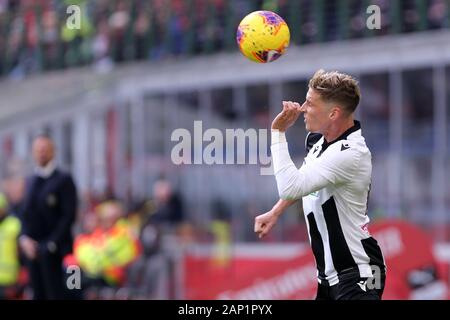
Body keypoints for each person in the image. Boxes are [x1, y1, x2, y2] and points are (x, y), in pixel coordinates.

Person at [254, 69, 386, 300]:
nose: (303, 108)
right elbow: (305, 181)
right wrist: (276, 211)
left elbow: (290, 186)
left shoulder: (351, 153)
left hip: (358, 273)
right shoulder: (318, 141)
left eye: (310, 103)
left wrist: (277, 132)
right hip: (328, 277)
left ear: (333, 113)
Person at [19, 134, 78, 299]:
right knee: (38, 293)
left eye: (45, 150)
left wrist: (51, 243)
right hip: (34, 252)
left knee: (57, 293)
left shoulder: (64, 180)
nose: (41, 153)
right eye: (38, 150)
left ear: (53, 152)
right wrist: (25, 238)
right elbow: (25, 213)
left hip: (57, 252)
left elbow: (68, 216)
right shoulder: (30, 181)